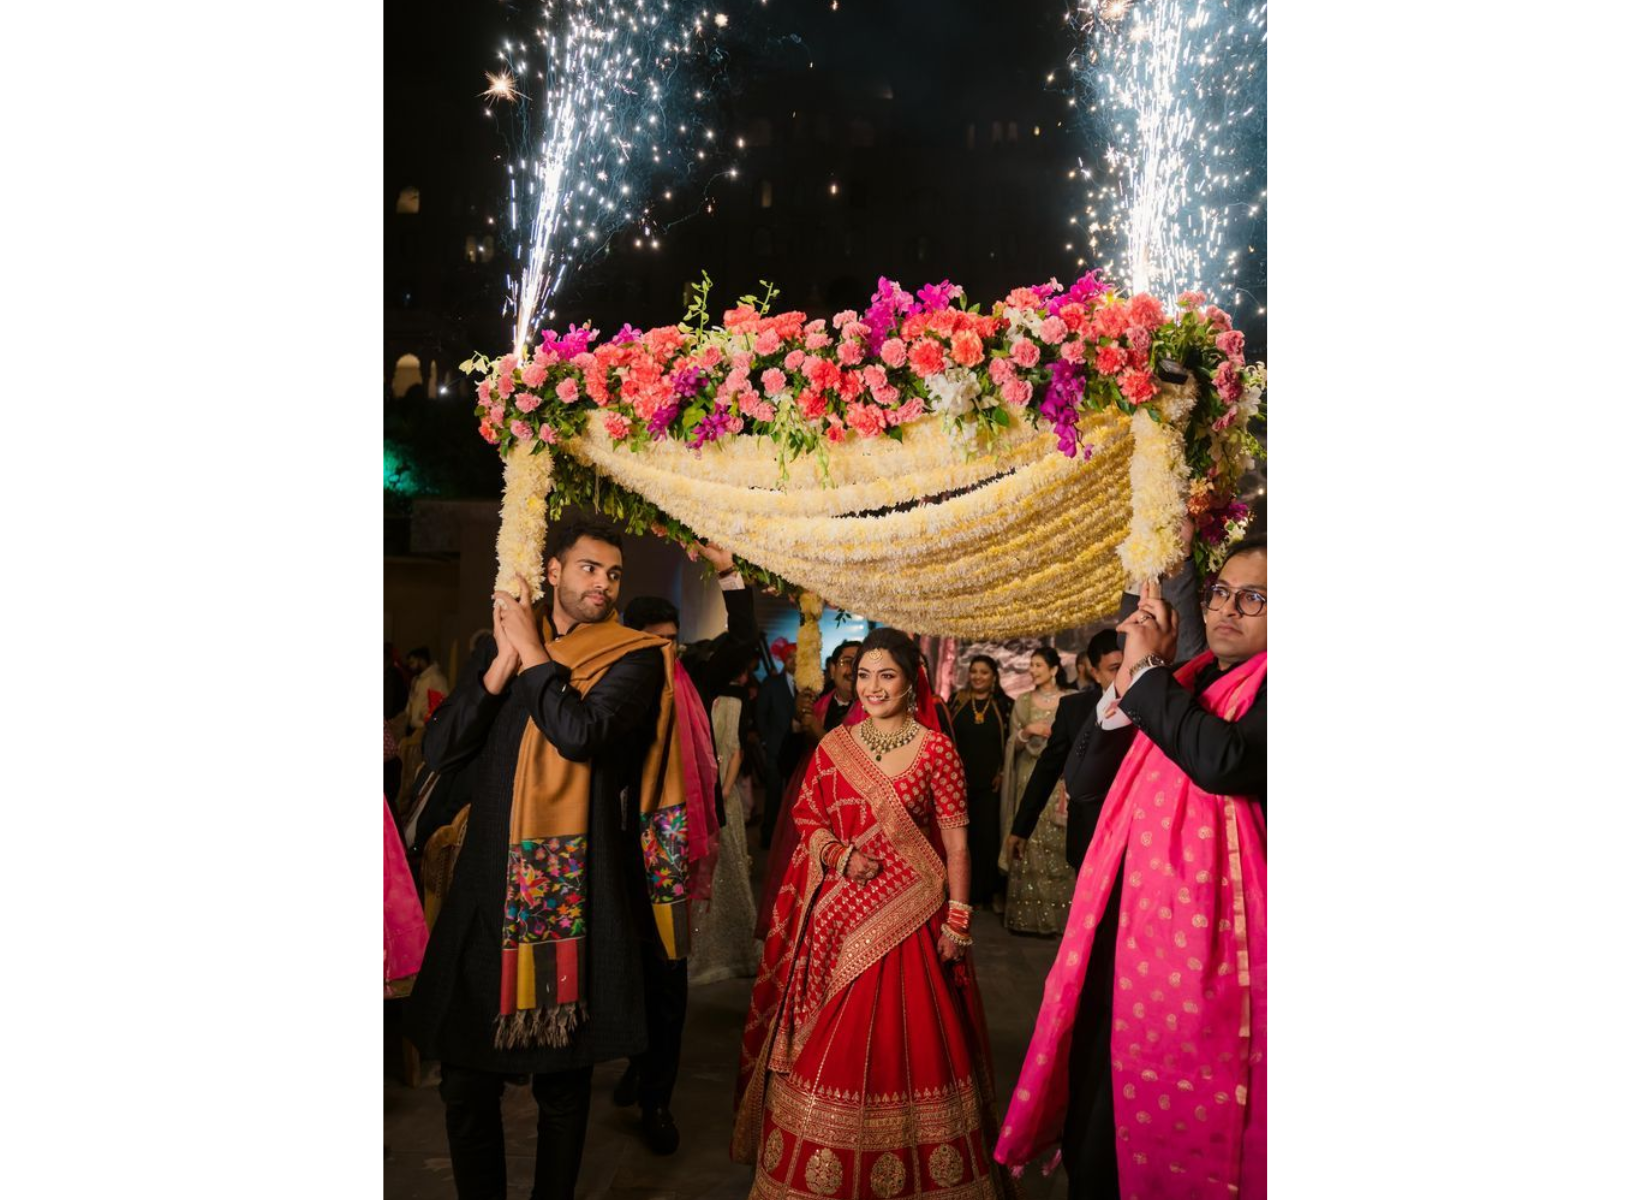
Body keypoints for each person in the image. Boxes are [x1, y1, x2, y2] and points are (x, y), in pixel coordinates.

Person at [405, 516, 689, 1200]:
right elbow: (441, 751)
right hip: (486, 885)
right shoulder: (504, 647)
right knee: (465, 1084)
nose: (603, 584)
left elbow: (580, 733)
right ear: (554, 571)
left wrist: (533, 655)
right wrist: (501, 666)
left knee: (562, 1088)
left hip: (574, 891)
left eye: (613, 574)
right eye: (589, 568)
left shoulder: (634, 659)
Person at [995, 535, 1268, 1200]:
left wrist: (1147, 677)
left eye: (1253, 598)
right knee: (1101, 1110)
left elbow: (1224, 761)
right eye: (1221, 593)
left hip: (1213, 954)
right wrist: (1130, 685)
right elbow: (1087, 781)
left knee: (1193, 1111)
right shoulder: (1184, 681)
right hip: (1128, 933)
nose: (1228, 608)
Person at [733, 629, 1017, 1200]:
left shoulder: (936, 750)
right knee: (826, 1046)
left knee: (911, 1045)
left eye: (887, 675)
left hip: (914, 917)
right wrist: (839, 856)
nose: (873, 687)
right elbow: (807, 816)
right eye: (864, 675)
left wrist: (959, 920)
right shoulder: (836, 745)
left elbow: (957, 845)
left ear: (912, 682)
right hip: (838, 920)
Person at [610, 539, 750, 1154]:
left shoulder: (692, 675)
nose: (666, 651)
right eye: (655, 642)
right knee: (627, 971)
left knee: (669, 975)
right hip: (619, 849)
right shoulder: (611, 684)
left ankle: (657, 1099)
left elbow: (742, 642)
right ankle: (637, 1062)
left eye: (673, 640)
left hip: (676, 849)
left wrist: (727, 571)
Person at [998, 647, 1073, 934]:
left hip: (1060, 781)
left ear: (1054, 670)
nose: (1033, 670)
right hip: (1029, 777)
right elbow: (1012, 744)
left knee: (1058, 843)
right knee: (1028, 839)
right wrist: (1027, 731)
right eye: (1031, 665)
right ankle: (1027, 918)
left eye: (1039, 665)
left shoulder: (1070, 700)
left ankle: (1061, 919)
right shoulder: (1023, 702)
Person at [948, 654, 1011, 908]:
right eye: (974, 671)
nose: (977, 676)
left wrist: (1003, 772)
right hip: (958, 784)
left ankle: (987, 893)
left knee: (987, 839)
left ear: (994, 676)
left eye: (984, 672)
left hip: (990, 785)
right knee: (962, 840)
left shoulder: (1004, 705)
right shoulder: (957, 701)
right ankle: (963, 894)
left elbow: (1010, 743)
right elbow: (946, 737)